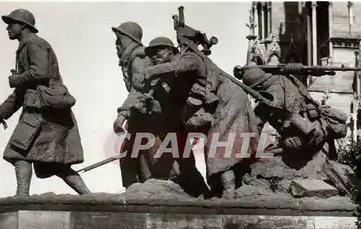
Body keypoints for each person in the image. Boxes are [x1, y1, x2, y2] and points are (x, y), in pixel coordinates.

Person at [144, 28, 259, 199]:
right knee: (216, 144)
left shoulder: (190, 59)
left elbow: (178, 67)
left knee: (218, 145)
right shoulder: (178, 71)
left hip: (228, 99)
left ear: (170, 50)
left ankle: (229, 193)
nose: (154, 56)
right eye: (151, 54)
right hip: (222, 101)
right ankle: (222, 190)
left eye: (157, 51)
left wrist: (150, 71)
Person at [0, 9, 91, 196]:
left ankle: (22, 196)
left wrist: (16, 79)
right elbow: (23, 91)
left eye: (12, 23)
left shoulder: (35, 44)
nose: (8, 28)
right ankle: (89, 197)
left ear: (24, 26)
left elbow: (40, 72)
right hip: (42, 110)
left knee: (17, 152)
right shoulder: (27, 46)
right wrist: (1, 113)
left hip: (42, 111)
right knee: (56, 163)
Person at [241, 63, 348, 167]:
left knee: (267, 157)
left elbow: (254, 125)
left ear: (257, 86)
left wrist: (244, 153)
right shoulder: (286, 79)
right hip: (319, 128)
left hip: (303, 139)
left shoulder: (270, 97)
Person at [111, 21, 153, 188]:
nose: (116, 44)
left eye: (119, 39)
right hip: (140, 113)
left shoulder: (138, 58)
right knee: (132, 158)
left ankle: (138, 193)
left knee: (132, 158)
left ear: (128, 39)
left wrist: (122, 115)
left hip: (147, 114)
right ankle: (137, 192)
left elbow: (139, 88)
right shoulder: (132, 59)